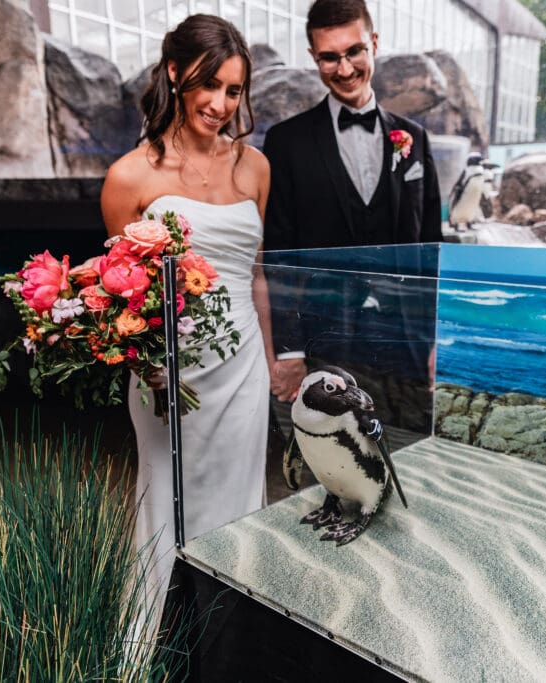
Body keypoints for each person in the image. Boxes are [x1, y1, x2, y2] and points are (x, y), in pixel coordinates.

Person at [100, 13, 273, 643]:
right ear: (176, 74)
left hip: (244, 368)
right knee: (165, 503)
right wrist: (145, 363)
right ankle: (155, 647)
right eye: (210, 86)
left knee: (239, 504)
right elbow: (121, 296)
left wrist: (275, 361)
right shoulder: (129, 177)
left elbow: (254, 278)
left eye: (234, 91)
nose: (223, 104)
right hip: (166, 369)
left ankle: (229, 647)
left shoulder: (255, 168)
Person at [262, 0, 442, 403]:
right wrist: (289, 351)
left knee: (404, 455)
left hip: (405, 343)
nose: (344, 70)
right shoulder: (286, 143)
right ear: (314, 58)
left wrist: (437, 339)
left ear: (373, 44)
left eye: (354, 52)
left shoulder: (416, 139)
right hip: (323, 341)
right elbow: (280, 255)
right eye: (329, 58)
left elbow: (433, 248)